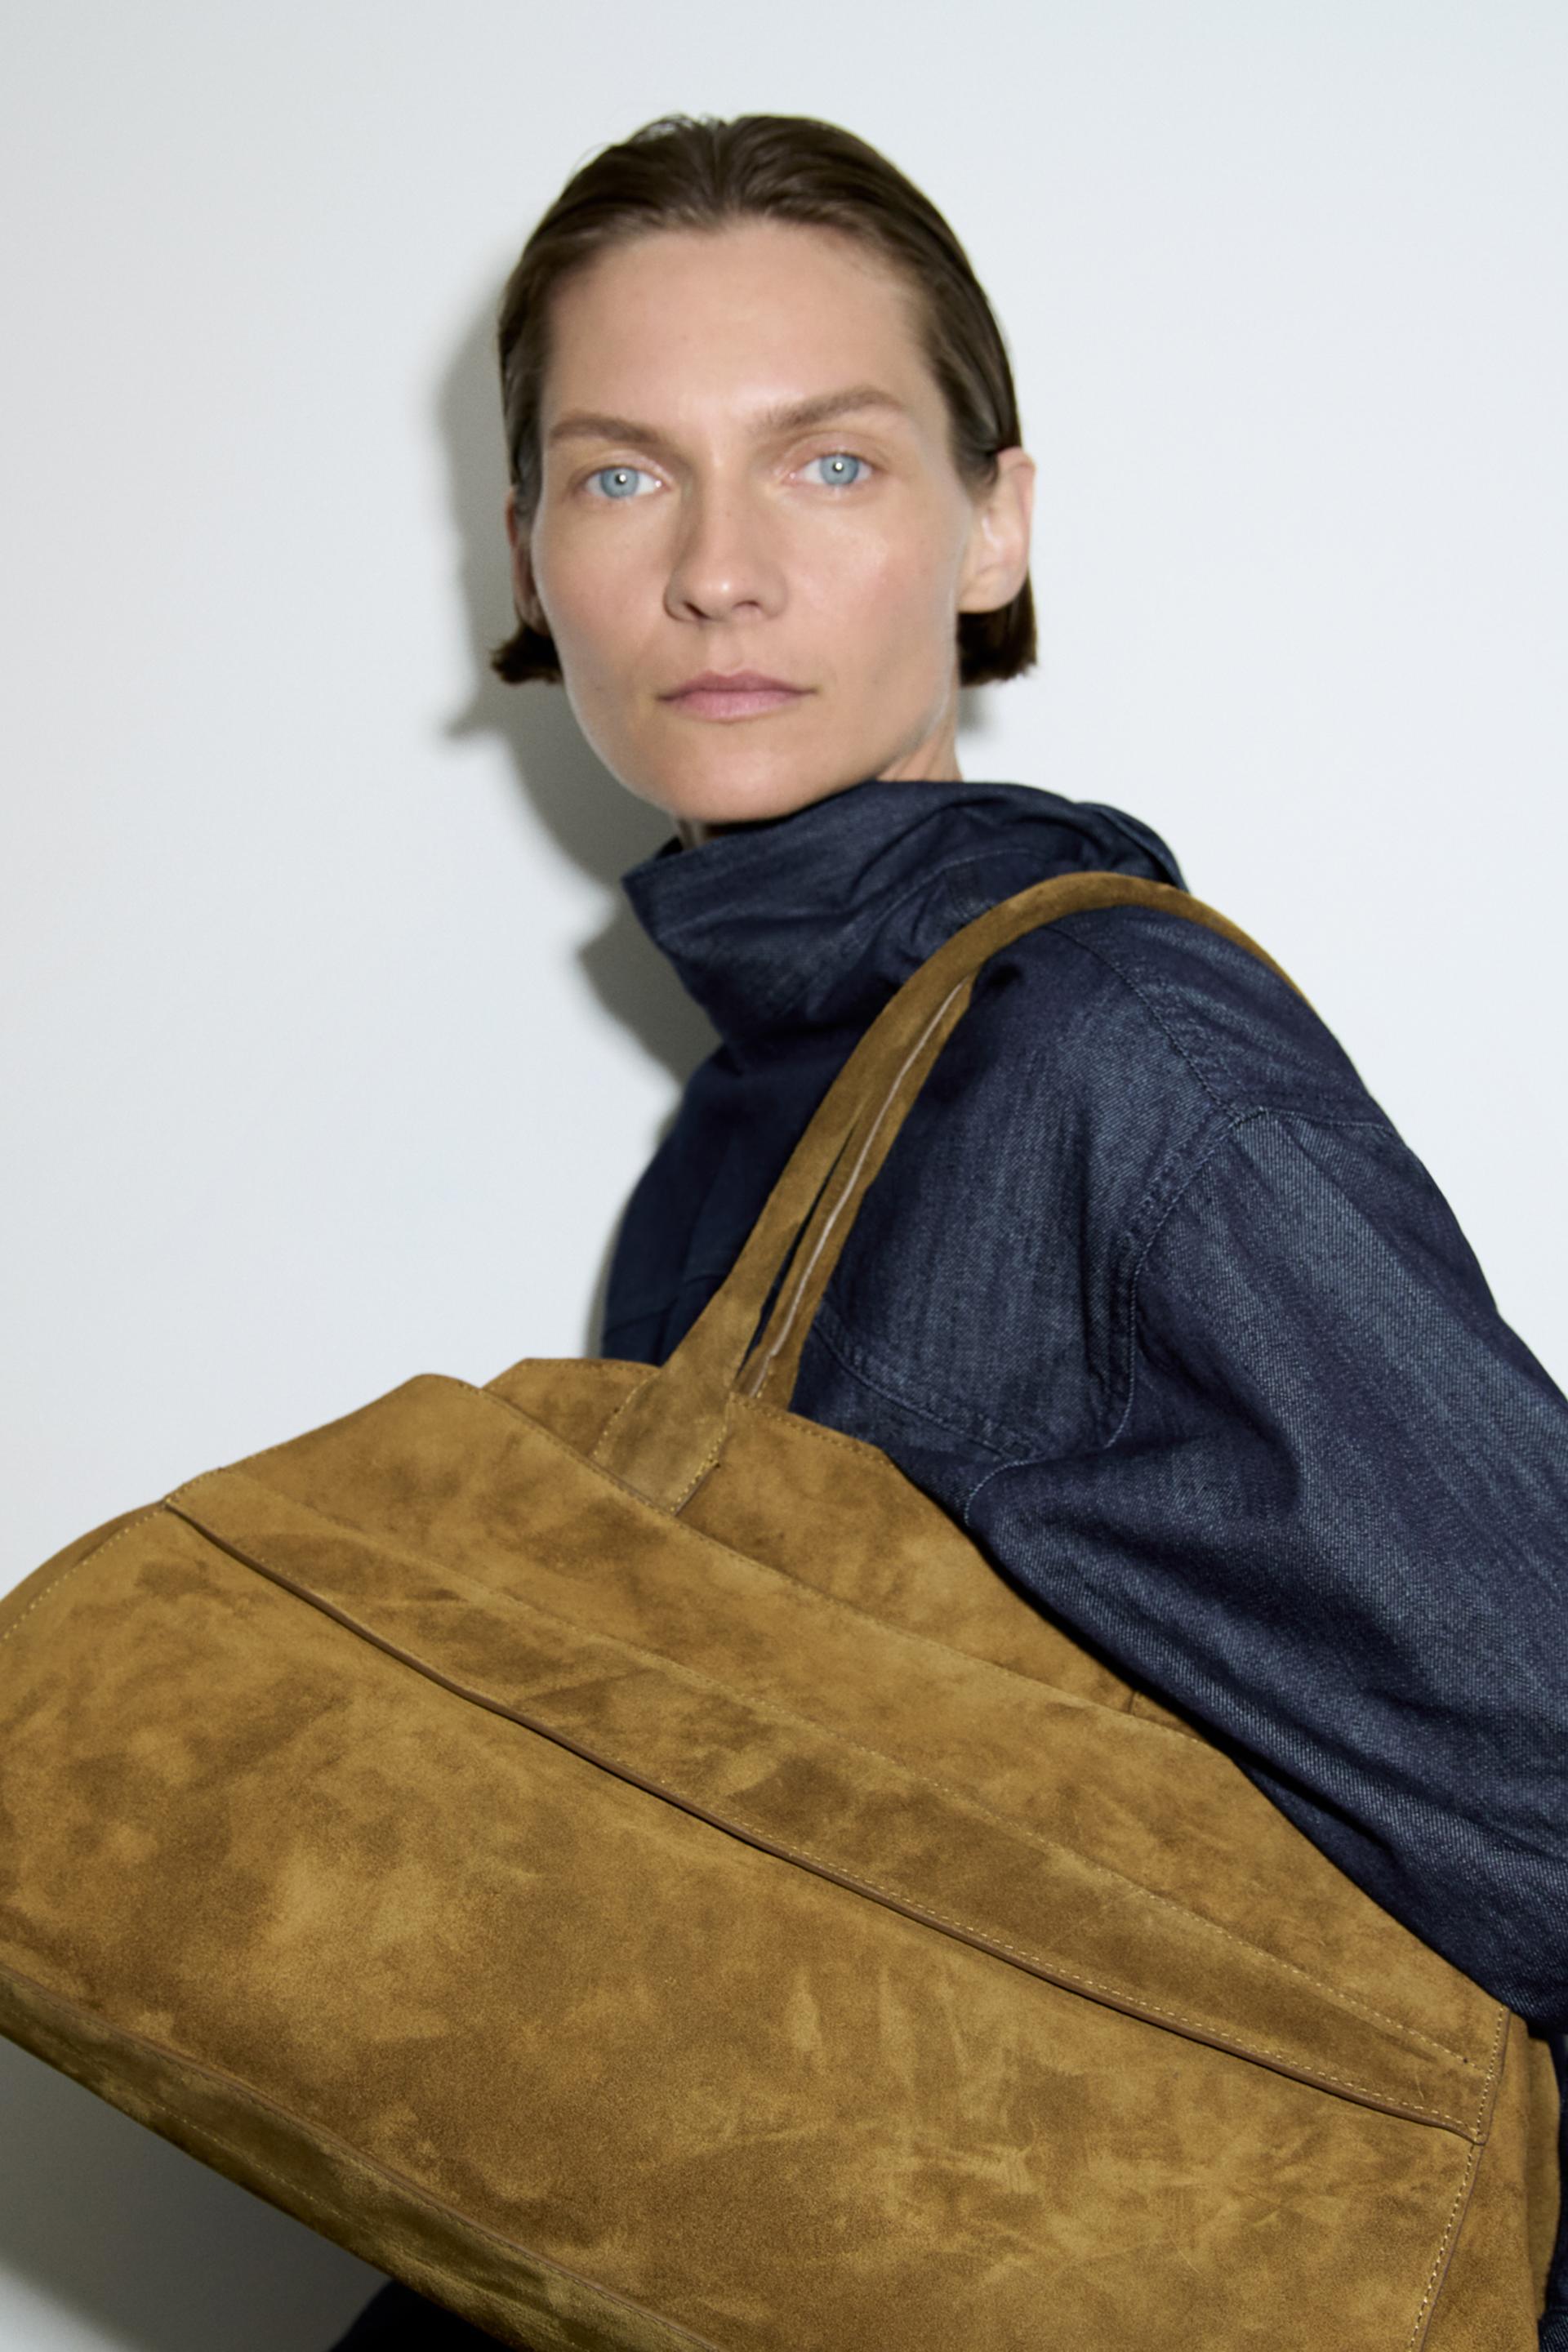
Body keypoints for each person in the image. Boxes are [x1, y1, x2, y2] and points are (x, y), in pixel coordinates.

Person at [329, 112, 1568, 2349]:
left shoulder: (1105, 1057)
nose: (718, 571)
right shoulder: (757, 1126)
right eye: (620, 475)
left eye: (829, 462)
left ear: (995, 522)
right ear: (524, 558)